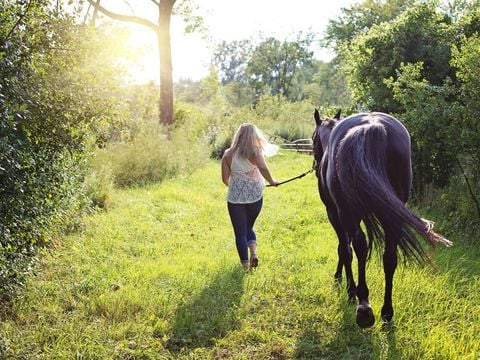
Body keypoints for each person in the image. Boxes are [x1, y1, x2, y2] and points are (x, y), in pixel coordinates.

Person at [221, 123, 279, 271]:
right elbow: (263, 168)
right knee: (249, 226)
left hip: (235, 199)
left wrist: (237, 186)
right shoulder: (255, 151)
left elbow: (225, 179)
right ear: (253, 136)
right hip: (255, 196)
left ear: (238, 135)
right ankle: (253, 253)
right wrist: (272, 182)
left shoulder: (228, 154)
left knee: (240, 232)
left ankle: (246, 267)